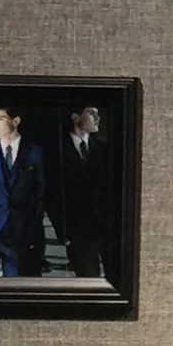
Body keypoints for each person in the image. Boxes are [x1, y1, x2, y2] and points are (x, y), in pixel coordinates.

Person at [0, 102, 47, 276]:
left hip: (19, 235)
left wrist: (32, 230)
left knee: (15, 287)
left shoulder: (34, 153)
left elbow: (40, 193)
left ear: (15, 121)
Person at [48, 104, 115, 280]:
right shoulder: (57, 152)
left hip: (106, 226)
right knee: (87, 277)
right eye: (92, 114)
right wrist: (63, 231)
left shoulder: (103, 149)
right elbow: (53, 193)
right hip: (78, 229)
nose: (98, 119)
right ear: (76, 117)